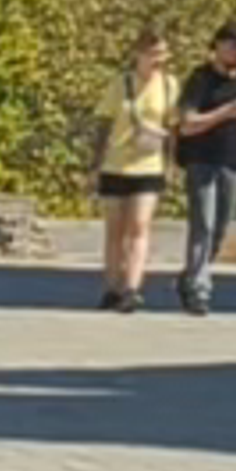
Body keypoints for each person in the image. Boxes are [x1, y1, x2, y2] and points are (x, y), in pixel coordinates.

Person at [173, 26, 236, 308]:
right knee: (203, 224)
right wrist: (224, 112)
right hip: (201, 159)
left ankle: (191, 275)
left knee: (221, 226)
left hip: (232, 161)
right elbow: (187, 124)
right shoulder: (200, 80)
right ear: (218, 46)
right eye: (232, 45)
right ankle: (200, 288)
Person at [93, 32, 176, 307]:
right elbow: (104, 122)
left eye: (163, 54)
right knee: (115, 229)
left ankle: (132, 288)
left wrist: (171, 162)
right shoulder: (121, 83)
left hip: (149, 165)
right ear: (138, 54)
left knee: (139, 226)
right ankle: (112, 286)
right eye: (153, 54)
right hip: (116, 164)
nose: (159, 60)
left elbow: (173, 126)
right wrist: (95, 162)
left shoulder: (168, 85)